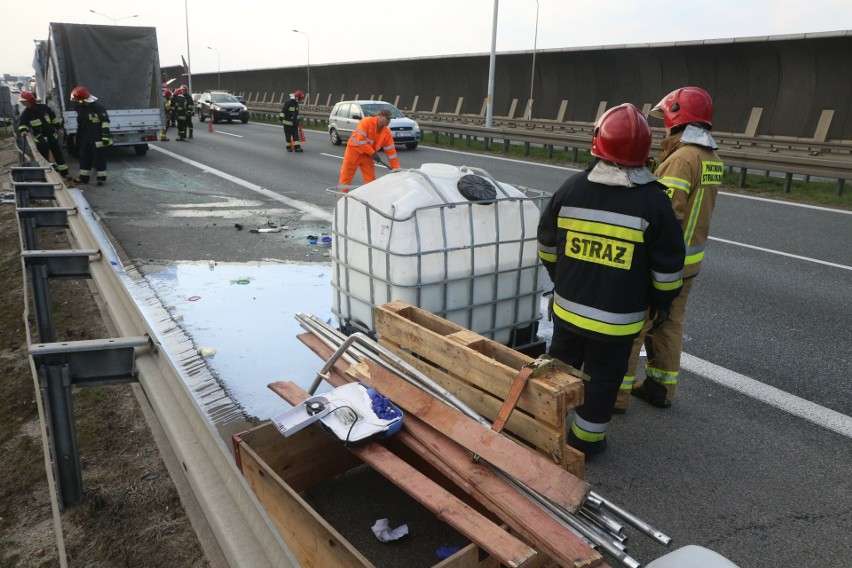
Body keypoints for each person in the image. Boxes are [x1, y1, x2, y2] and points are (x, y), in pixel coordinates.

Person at [537, 103, 685, 456]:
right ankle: (586, 442)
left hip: (568, 311)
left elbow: (546, 246)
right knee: (603, 379)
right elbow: (667, 274)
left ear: (598, 143)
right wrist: (659, 305)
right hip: (618, 324)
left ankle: (545, 428)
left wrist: (562, 279)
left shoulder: (571, 189)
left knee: (559, 370)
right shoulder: (655, 203)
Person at [615, 87, 723, 412]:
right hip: (689, 263)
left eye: (666, 119)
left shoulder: (681, 160)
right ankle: (660, 387)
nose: (663, 127)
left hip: (664, 262)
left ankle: (614, 398)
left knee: (635, 326)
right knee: (670, 322)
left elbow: (664, 214)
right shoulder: (711, 158)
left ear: (678, 118)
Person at [338, 108, 400, 192]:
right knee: (346, 177)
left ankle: (369, 200)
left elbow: (391, 151)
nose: (389, 121)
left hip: (367, 156)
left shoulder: (386, 132)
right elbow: (360, 140)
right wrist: (373, 152)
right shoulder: (366, 122)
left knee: (371, 181)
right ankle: (341, 198)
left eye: (390, 119)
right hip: (354, 152)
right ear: (380, 116)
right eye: (387, 118)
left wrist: (396, 168)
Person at [16, 91, 70, 178]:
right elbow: (23, 123)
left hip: (52, 136)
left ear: (31, 100)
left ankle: (65, 174)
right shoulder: (26, 113)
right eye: (23, 103)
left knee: (59, 156)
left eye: (25, 102)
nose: (24, 104)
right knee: (44, 160)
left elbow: (54, 119)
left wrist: (59, 128)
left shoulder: (44, 108)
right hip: (40, 139)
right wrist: (23, 130)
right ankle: (47, 177)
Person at [70, 86, 112, 185]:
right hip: (85, 137)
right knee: (84, 157)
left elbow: (105, 122)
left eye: (77, 100)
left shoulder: (98, 107)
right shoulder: (81, 108)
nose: (75, 102)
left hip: (97, 137)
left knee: (99, 158)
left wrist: (105, 136)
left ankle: (101, 178)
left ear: (81, 99)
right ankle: (84, 177)